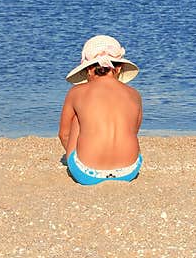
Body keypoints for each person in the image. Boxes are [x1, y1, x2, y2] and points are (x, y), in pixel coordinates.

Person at [58, 35, 144, 185]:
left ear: (89, 70)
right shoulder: (134, 94)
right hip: (129, 170)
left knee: (79, 118)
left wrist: (75, 155)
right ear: (119, 68)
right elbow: (133, 130)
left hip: (87, 173)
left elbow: (64, 134)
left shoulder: (76, 92)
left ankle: (86, 158)